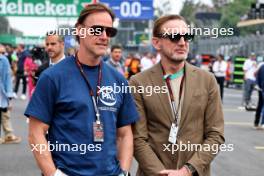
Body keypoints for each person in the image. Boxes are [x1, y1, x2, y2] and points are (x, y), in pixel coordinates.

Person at [24, 3, 139, 176]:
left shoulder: (119, 79)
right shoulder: (52, 77)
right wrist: (54, 174)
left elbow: (124, 134)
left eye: (109, 31)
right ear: (79, 30)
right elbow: (36, 133)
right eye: (97, 29)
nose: (104, 36)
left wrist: (123, 172)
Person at [130, 15, 225, 176]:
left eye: (187, 36)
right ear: (156, 43)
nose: (182, 42)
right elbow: (138, 138)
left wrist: (188, 170)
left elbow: (216, 134)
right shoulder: (138, 82)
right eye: (174, 37)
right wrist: (162, 173)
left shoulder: (207, 80)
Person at [0, 44, 21, 144]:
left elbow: (7, 79)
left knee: (4, 112)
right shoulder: (3, 60)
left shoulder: (3, 60)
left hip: (1, 92)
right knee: (4, 113)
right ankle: (9, 135)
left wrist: (8, 96)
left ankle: (9, 135)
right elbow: (7, 78)